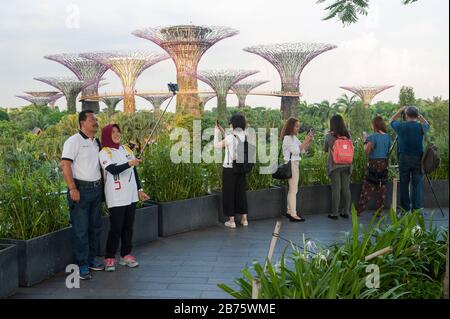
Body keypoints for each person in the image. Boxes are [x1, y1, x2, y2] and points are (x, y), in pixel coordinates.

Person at [99, 124, 150, 272]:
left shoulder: (126, 149)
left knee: (128, 227)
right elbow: (112, 169)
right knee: (116, 228)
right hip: (116, 196)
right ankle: (109, 257)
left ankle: (126, 255)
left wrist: (140, 189)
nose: (116, 134)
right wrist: (129, 163)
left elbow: (134, 172)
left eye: (118, 131)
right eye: (113, 132)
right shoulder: (104, 152)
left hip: (131, 194)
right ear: (107, 134)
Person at [60, 110, 104, 280]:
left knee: (95, 227)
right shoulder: (73, 141)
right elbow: (65, 165)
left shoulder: (95, 142)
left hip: (96, 189)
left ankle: (92, 259)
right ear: (82, 123)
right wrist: (72, 188)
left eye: (96, 119)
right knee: (80, 229)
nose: (95, 122)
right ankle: (82, 264)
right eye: (92, 119)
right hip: (80, 191)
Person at [390, 106, 430, 213]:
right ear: (417, 116)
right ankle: (416, 208)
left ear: (406, 115)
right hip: (418, 159)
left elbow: (391, 121)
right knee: (417, 184)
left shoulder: (400, 126)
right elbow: (427, 124)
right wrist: (419, 115)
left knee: (404, 183)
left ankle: (405, 209)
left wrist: (400, 110)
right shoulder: (421, 127)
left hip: (404, 158)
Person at [214, 113, 249, 229]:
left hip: (230, 169)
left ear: (233, 124)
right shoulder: (245, 136)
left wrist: (216, 132)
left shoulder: (230, 138)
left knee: (229, 194)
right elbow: (232, 141)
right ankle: (244, 219)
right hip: (241, 168)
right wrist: (224, 132)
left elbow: (217, 146)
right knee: (241, 193)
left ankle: (231, 221)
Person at [356, 116, 392, 217]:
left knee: (367, 187)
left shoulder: (371, 137)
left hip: (373, 164)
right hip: (384, 163)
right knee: (382, 188)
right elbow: (388, 151)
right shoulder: (388, 137)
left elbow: (366, 152)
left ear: (375, 125)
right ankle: (379, 211)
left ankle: (359, 210)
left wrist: (365, 141)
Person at [280, 118, 313, 222]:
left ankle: (289, 211)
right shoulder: (287, 138)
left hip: (294, 164)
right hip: (292, 165)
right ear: (291, 126)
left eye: (299, 126)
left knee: (293, 189)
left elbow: (303, 151)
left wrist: (308, 141)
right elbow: (295, 151)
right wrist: (305, 141)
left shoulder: (294, 138)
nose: (298, 128)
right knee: (294, 190)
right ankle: (293, 214)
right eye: (296, 126)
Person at [324, 115, 353, 220]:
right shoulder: (348, 135)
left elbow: (325, 149)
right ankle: (345, 212)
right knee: (346, 188)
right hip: (347, 164)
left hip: (335, 165)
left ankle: (334, 213)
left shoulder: (329, 136)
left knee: (336, 189)